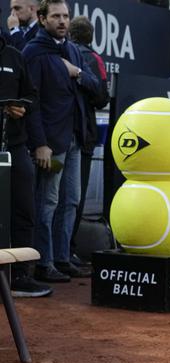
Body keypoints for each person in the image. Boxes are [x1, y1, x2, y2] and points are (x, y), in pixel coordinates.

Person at [23, 0, 99, 282]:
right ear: (42, 19)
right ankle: (43, 262)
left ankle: (62, 257)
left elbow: (95, 87)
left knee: (71, 201)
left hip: (75, 138)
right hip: (51, 143)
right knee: (48, 202)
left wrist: (77, 72)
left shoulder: (72, 51)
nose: (63, 21)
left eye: (66, 16)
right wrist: (40, 143)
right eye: (56, 16)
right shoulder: (33, 52)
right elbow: (32, 102)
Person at [0, 32, 52, 297]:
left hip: (16, 147)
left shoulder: (15, 56)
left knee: (24, 209)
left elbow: (32, 96)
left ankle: (21, 276)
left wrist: (21, 107)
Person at [68, 15, 110, 264]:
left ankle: (55, 254)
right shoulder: (94, 59)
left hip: (60, 133)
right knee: (74, 198)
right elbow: (103, 97)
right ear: (91, 36)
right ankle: (67, 252)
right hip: (82, 134)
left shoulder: (64, 55)